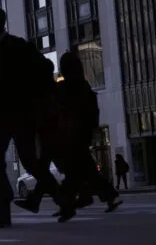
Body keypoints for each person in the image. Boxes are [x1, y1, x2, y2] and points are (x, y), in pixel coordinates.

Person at [0, 7, 72, 229]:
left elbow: (45, 67)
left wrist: (29, 95)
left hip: (20, 114)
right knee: (2, 160)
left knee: (26, 162)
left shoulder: (18, 46)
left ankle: (7, 211)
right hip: (2, 115)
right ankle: (4, 210)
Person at [52, 52, 121, 217]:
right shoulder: (84, 85)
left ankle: (70, 203)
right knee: (85, 169)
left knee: (75, 171)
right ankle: (102, 196)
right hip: (82, 134)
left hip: (71, 135)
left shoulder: (67, 87)